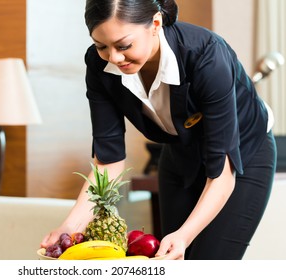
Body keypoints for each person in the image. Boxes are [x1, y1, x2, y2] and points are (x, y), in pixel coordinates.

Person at [41, 0, 277, 260]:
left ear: (155, 23)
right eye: (101, 46)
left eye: (123, 45)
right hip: (179, 154)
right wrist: (70, 228)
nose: (114, 58)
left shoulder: (206, 54)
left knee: (210, 264)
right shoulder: (99, 66)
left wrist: (184, 235)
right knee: (168, 263)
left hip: (242, 155)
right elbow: (108, 161)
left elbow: (222, 174)